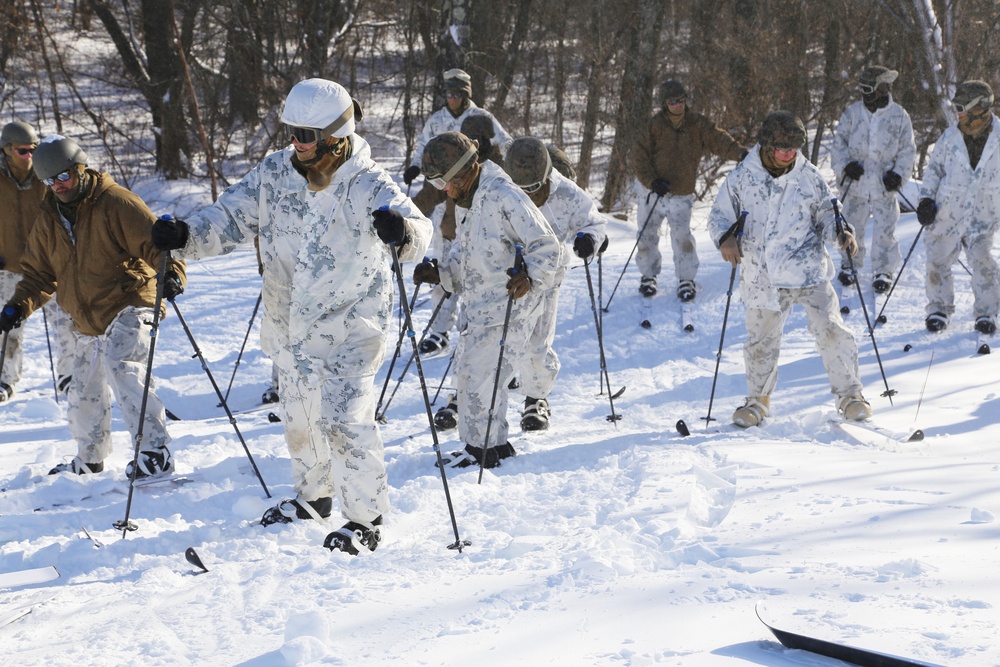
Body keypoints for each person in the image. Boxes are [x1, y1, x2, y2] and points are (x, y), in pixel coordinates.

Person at [151, 79, 432, 555]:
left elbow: (419, 232)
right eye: (293, 133)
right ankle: (313, 499)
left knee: (344, 419)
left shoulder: (368, 182)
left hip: (352, 324)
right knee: (299, 418)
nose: (297, 144)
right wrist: (185, 235)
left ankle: (366, 519)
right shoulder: (275, 173)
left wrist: (401, 230)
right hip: (290, 323)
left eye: (306, 134)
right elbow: (231, 219)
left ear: (334, 133)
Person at [0, 135, 185, 477]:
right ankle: (91, 457)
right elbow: (40, 275)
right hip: (86, 314)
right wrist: (18, 305)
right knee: (82, 388)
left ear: (80, 168)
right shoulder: (49, 218)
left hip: (131, 300)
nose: (58, 186)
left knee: (122, 363)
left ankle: (155, 453)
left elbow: (158, 245)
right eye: (49, 181)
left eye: (64, 177)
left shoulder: (115, 202)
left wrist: (170, 274)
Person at [707, 111, 871, 427]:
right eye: (782, 147)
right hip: (763, 274)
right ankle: (757, 402)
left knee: (831, 329)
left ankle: (851, 396)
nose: (789, 154)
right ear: (767, 145)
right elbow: (718, 218)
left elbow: (828, 214)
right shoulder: (741, 177)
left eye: (794, 148)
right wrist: (725, 238)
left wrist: (840, 232)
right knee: (761, 342)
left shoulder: (809, 176)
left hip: (808, 269)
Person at [411, 131, 560, 468]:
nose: (445, 191)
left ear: (466, 170)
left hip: (507, 307)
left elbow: (548, 246)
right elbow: (471, 259)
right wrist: (441, 274)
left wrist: (530, 276)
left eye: (446, 183)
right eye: (438, 186)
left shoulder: (504, 195)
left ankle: (480, 452)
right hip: (480, 308)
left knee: (479, 381)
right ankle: (494, 446)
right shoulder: (473, 199)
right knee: (476, 379)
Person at [403, 69, 514, 358]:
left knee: (481, 275)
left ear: (466, 95)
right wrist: (417, 167)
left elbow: (508, 144)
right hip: (447, 198)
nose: (452, 99)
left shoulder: (482, 118)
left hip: (479, 209)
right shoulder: (438, 119)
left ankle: (486, 335)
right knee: (445, 266)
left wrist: (492, 148)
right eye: (449, 94)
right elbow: (423, 147)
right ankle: (440, 331)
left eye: (457, 94)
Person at [503, 136, 607, 431]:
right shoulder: (501, 188)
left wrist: (588, 240)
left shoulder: (567, 194)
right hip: (507, 273)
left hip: (547, 277)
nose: (528, 194)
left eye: (534, 188)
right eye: (521, 189)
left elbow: (594, 222)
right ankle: (480, 397)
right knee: (496, 337)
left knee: (537, 342)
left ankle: (535, 399)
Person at [631, 78, 746, 301]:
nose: (678, 105)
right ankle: (648, 276)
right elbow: (638, 156)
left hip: (681, 190)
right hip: (652, 191)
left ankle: (686, 279)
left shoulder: (697, 124)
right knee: (646, 236)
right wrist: (652, 181)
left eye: (681, 100)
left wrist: (741, 154)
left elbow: (718, 140)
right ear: (664, 104)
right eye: (672, 101)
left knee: (682, 238)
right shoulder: (653, 125)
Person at [0, 121, 76, 402]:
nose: (29, 155)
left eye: (33, 149)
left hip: (48, 265)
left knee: (65, 322)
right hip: (8, 267)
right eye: (22, 151)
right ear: (6, 150)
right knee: (8, 327)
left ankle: (69, 376)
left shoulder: (46, 175)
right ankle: (5, 379)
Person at [917, 80, 1000, 335]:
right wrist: (926, 200)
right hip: (947, 210)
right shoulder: (950, 137)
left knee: (983, 262)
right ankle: (938, 309)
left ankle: (986, 313)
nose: (958, 113)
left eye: (962, 107)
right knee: (937, 260)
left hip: (983, 213)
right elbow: (935, 170)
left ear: (980, 108)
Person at [831, 66, 916, 293]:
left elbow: (908, 150)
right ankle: (850, 264)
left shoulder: (899, 116)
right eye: (862, 88)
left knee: (885, 228)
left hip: (884, 184)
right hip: (855, 183)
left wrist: (898, 174)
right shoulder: (852, 114)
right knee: (850, 224)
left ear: (882, 87)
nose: (865, 93)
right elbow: (838, 146)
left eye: (869, 88)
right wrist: (845, 166)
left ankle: (883, 270)